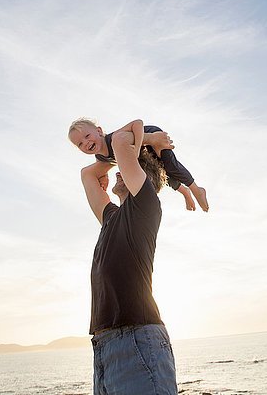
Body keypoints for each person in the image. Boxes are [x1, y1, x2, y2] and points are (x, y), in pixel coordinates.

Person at [80, 124, 178, 395]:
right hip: (104, 343)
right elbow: (88, 174)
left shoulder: (146, 206)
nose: (119, 171)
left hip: (137, 338)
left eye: (127, 167)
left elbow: (122, 141)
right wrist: (107, 164)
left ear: (143, 179)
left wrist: (144, 142)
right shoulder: (111, 217)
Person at [69, 117, 208, 212]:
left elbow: (137, 123)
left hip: (151, 134)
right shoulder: (99, 155)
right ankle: (185, 192)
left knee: (170, 165)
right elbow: (102, 163)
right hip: (144, 150)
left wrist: (138, 147)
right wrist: (103, 178)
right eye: (80, 144)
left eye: (87, 136)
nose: (85, 143)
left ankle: (196, 189)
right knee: (162, 174)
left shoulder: (114, 138)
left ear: (99, 131)